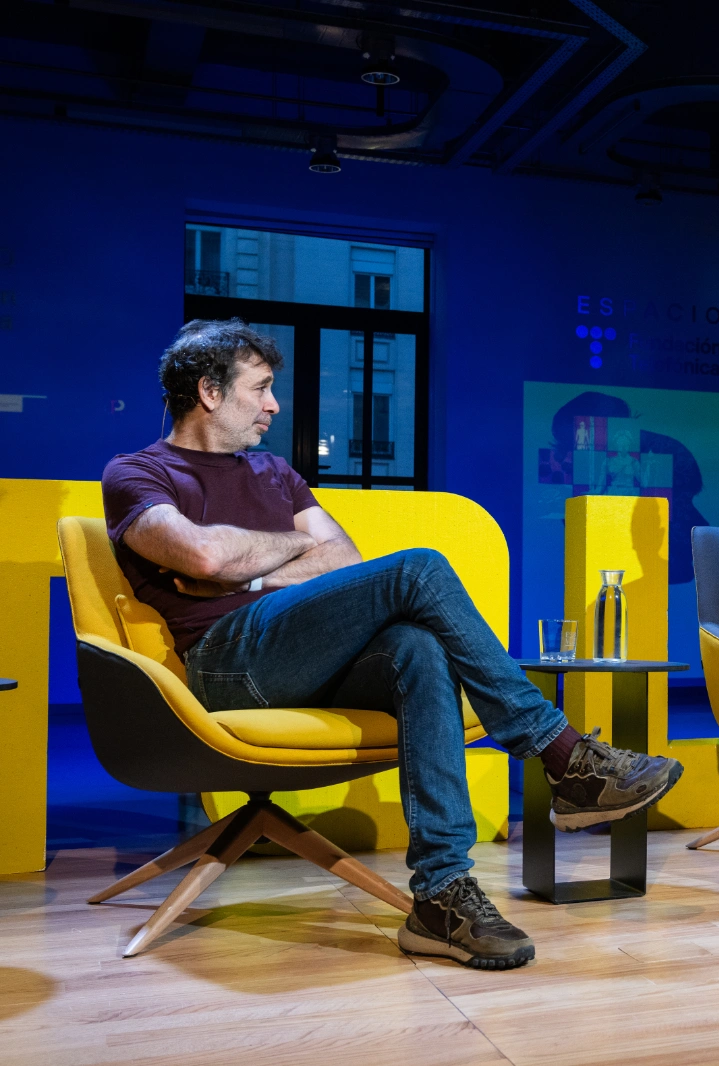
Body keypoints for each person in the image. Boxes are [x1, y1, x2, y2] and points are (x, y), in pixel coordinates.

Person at [101, 319, 683, 970]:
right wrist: (279, 553)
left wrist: (254, 569)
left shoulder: (275, 475)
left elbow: (342, 557)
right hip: (223, 662)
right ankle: (562, 754)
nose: (273, 405)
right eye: (261, 389)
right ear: (209, 392)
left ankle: (441, 893)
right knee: (418, 569)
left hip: (299, 653)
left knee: (416, 648)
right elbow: (203, 555)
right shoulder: (137, 474)